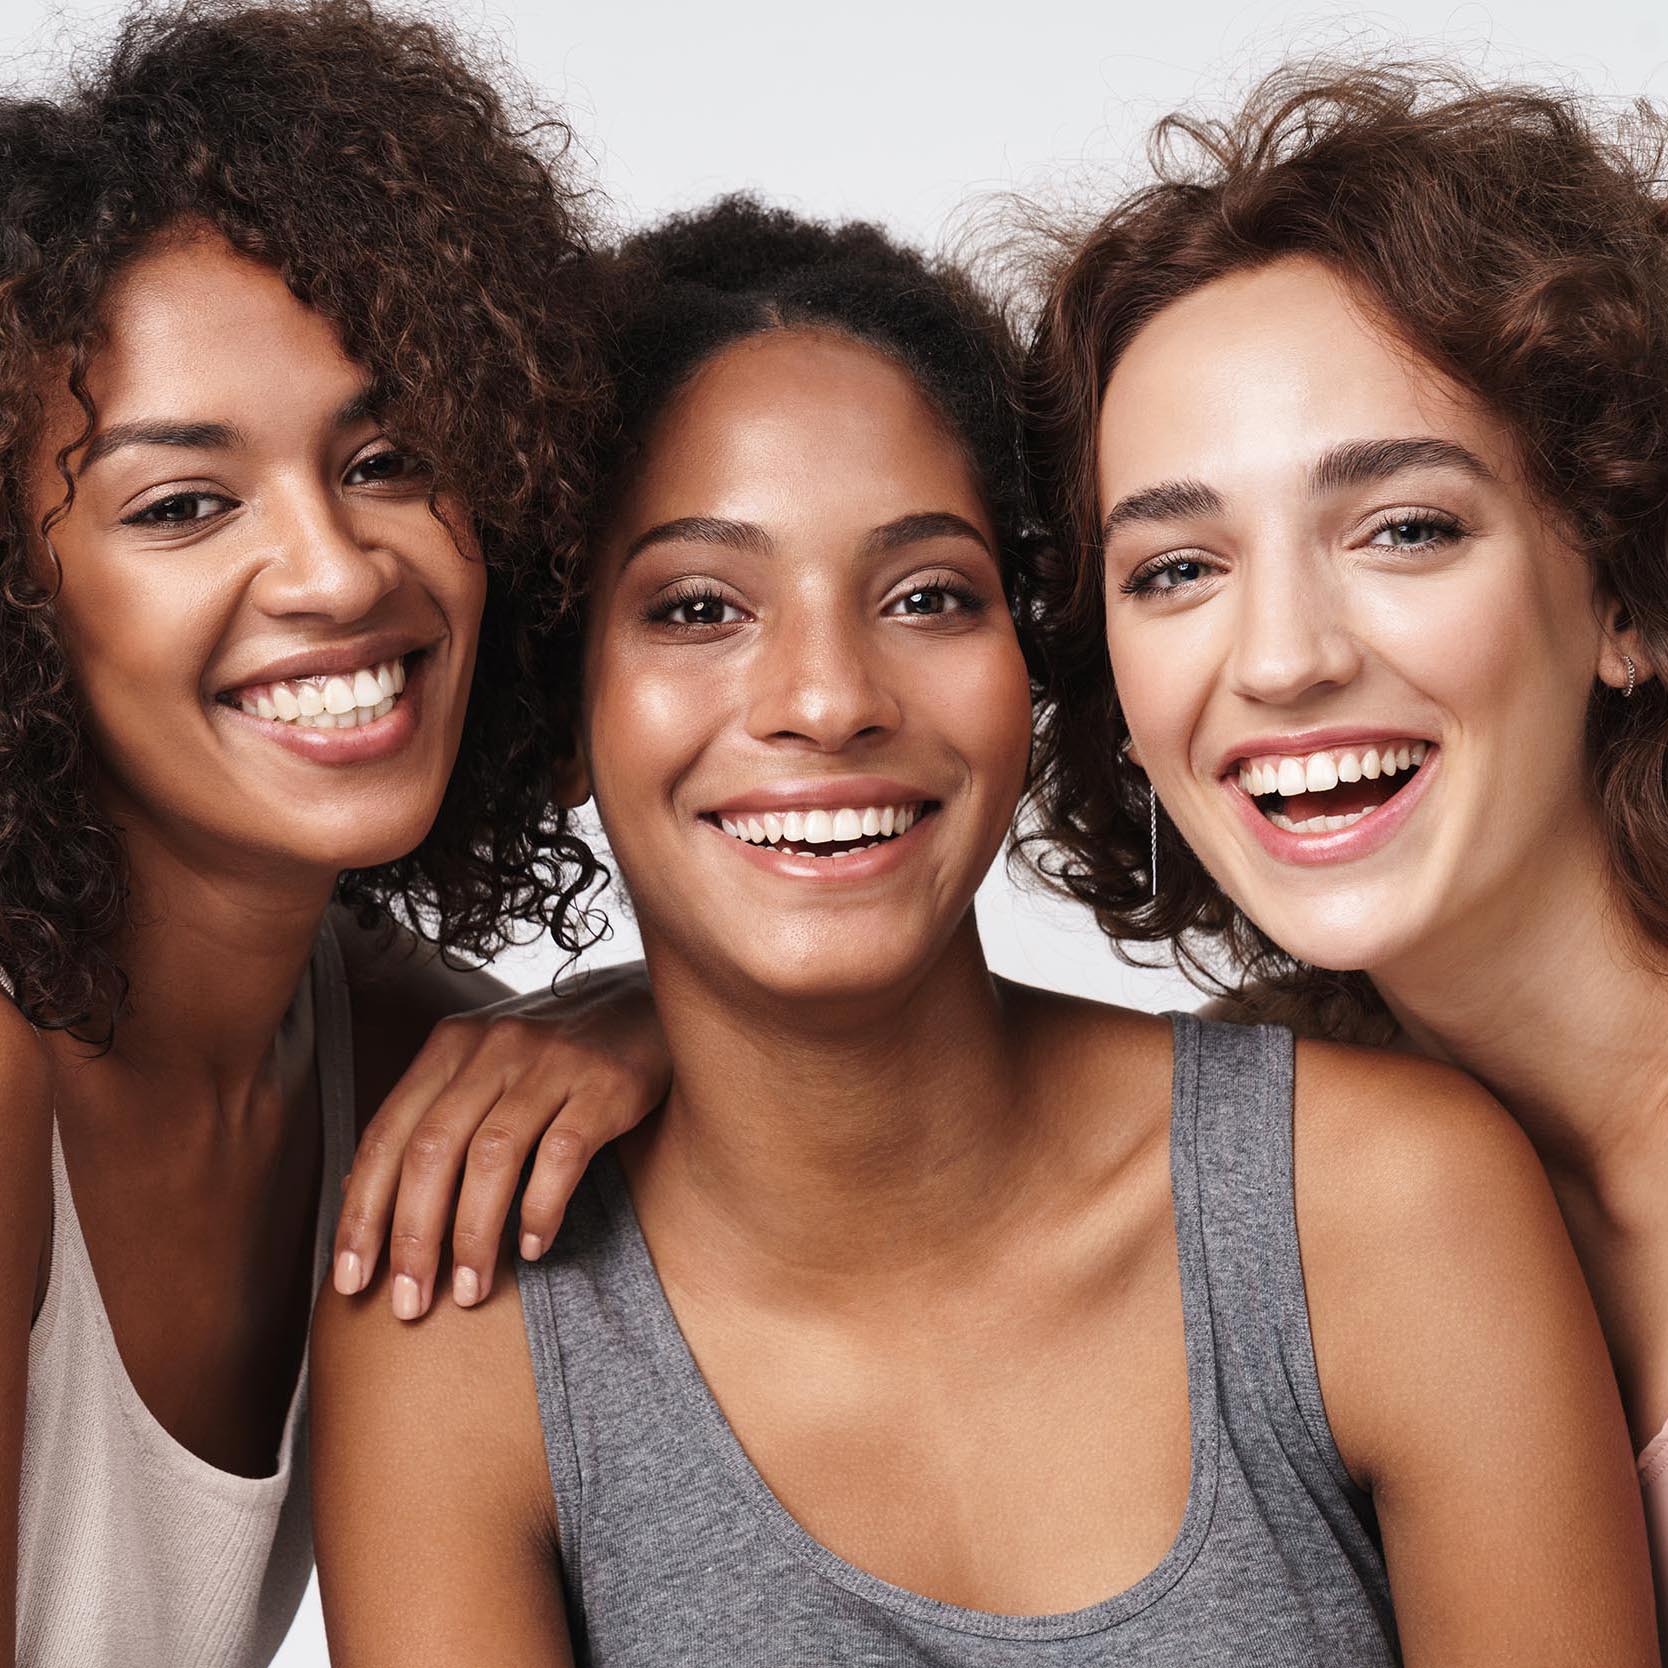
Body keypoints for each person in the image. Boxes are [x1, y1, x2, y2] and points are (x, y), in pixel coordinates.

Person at [312, 197, 1657, 1667]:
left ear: (1031, 669)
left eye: (929, 594)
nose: (827, 698)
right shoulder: (462, 1325)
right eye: (699, 607)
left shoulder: (1386, 1203)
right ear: (559, 704)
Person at [0, 4, 658, 1662]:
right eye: (181, 504)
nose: (338, 569)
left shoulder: (384, 1046)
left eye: (388, 458)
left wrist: (664, 1019)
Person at [1020, 63, 1668, 1622]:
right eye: (1177, 568)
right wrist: (636, 1031)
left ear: (1631, 598)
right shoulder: (1260, 1187)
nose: (1284, 657)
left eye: (1404, 528)